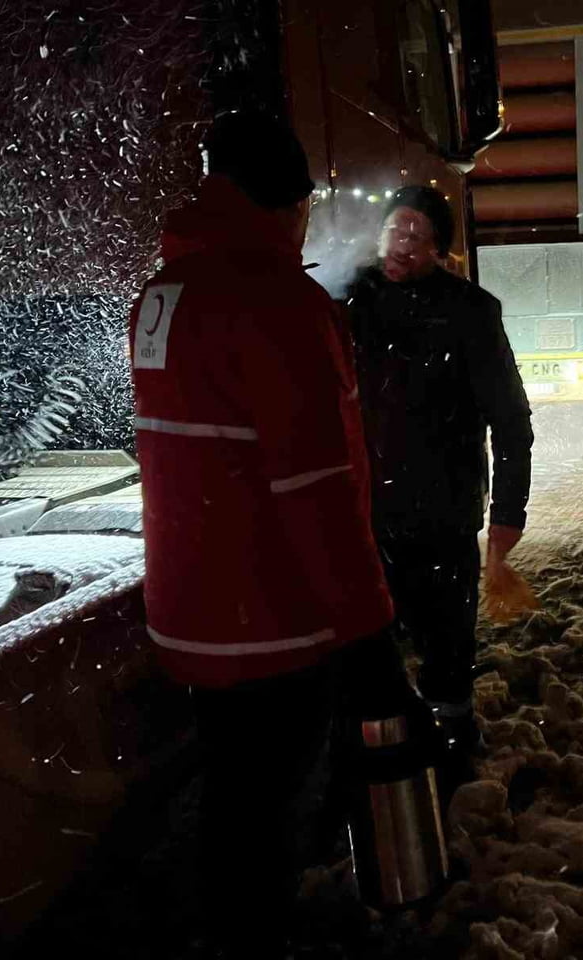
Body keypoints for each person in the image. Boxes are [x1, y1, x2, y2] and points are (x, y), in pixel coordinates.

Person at [128, 110, 407, 959]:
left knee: (233, 800)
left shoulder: (162, 291)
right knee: (266, 815)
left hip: (191, 614)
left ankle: (231, 923)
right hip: (272, 619)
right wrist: (371, 641)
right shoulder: (280, 301)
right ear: (292, 204)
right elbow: (316, 492)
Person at [346, 186, 534, 761]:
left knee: (446, 641)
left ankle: (453, 737)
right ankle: (382, 745)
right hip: (362, 514)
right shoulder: (350, 300)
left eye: (419, 237)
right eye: (395, 230)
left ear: (439, 252)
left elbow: (511, 419)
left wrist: (507, 513)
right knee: (370, 642)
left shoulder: (470, 312)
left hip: (442, 511)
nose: (403, 245)